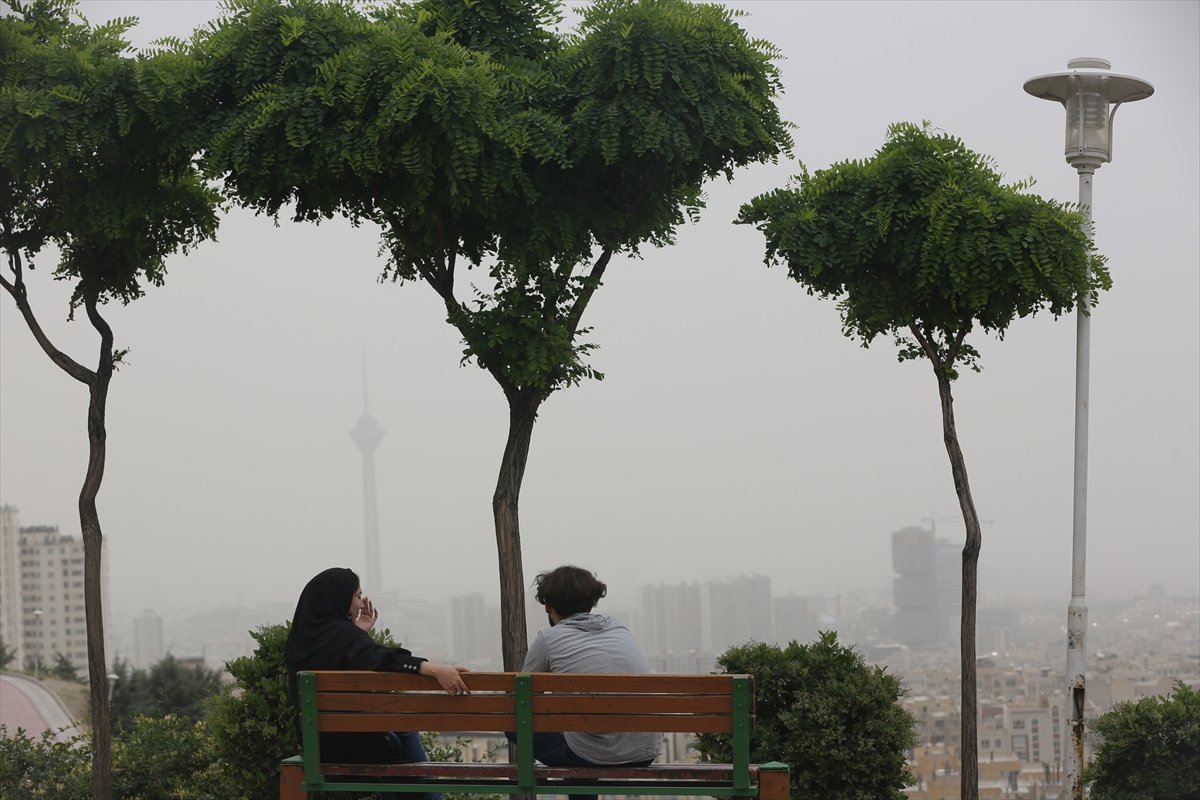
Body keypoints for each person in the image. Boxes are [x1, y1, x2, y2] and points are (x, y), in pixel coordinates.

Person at [284, 567, 469, 798]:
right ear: (339, 596)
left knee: (397, 743)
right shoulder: (344, 635)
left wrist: (356, 632)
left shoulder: (298, 642)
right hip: (358, 745)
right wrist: (434, 669)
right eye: (357, 595)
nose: (361, 604)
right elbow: (382, 657)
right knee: (403, 738)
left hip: (319, 746)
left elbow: (343, 651)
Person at [518, 565, 661, 782]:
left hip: (589, 754)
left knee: (514, 722)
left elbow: (523, 699)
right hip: (644, 752)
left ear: (548, 607)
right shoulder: (619, 628)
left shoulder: (547, 639)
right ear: (592, 602)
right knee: (579, 733)